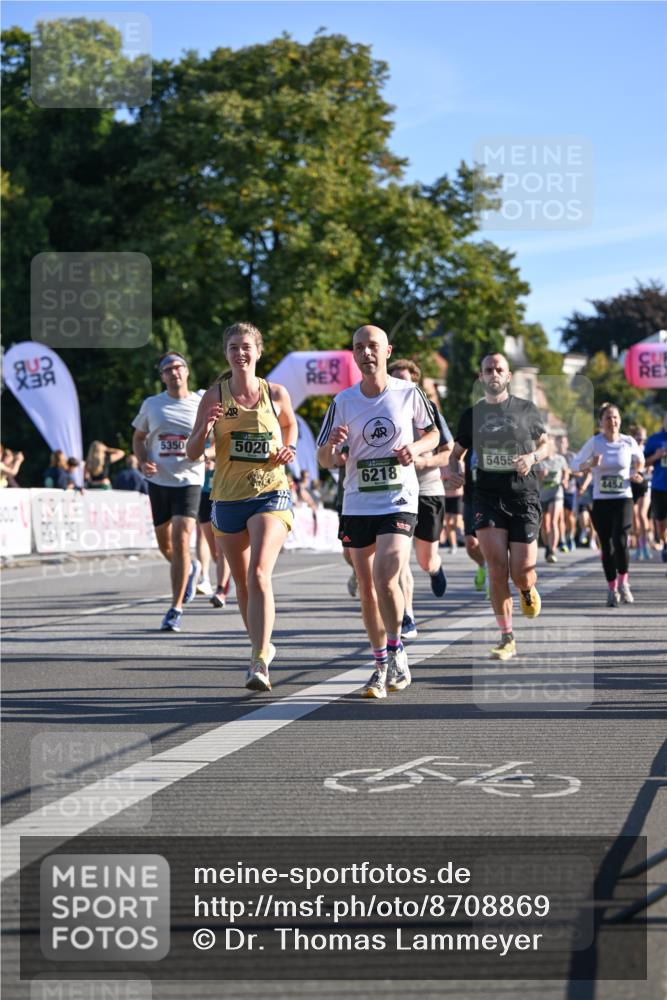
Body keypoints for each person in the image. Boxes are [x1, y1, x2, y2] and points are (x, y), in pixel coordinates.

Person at [316, 325, 438, 699]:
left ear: (387, 350)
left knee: (387, 577)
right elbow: (323, 459)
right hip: (357, 501)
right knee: (367, 589)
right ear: (353, 355)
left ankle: (398, 649)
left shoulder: (409, 393)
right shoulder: (343, 402)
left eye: (373, 346)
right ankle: (380, 662)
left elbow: (433, 435)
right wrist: (333, 448)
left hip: (398, 500)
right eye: (358, 347)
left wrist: (414, 450)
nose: (366, 353)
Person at [186, 322, 297, 691]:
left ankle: (259, 661)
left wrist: (289, 449)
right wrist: (205, 426)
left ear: (259, 351)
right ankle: (261, 645)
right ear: (226, 353)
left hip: (271, 492)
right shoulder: (214, 396)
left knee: (260, 574)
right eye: (233, 347)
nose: (240, 353)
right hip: (228, 497)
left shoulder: (276, 392)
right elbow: (192, 451)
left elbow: (289, 426)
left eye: (246, 346)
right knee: (243, 584)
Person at [448, 352, 548, 661]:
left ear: (507, 376)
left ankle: (526, 589)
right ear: (481, 377)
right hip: (487, 498)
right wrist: (455, 468)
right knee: (496, 569)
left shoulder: (526, 409)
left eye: (499, 369)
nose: (493, 374)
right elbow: (456, 453)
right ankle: (507, 636)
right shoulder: (472, 415)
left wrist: (531, 457)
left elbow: (546, 445)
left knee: (521, 573)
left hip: (524, 498)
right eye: (488, 369)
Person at [132, 351, 204, 632]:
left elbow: (217, 440)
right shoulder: (152, 404)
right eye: (167, 370)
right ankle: (191, 569)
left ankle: (175, 608)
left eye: (178, 367)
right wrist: (142, 459)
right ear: (162, 376)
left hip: (189, 479)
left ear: (187, 372)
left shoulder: (200, 403)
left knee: (182, 538)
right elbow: (139, 437)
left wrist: (205, 453)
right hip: (159, 481)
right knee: (167, 546)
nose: (174, 373)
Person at [387, 358, 451, 641]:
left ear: (415, 383)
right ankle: (407, 615)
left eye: (406, 380)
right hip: (395, 492)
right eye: (395, 380)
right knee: (399, 559)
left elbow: (447, 452)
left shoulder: (429, 410)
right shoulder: (381, 407)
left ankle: (435, 569)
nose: (401, 385)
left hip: (427, 489)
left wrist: (424, 462)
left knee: (425, 560)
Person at [571, 402, 644, 606]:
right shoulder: (595, 443)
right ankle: (612, 588)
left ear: (620, 421)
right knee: (607, 545)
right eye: (608, 418)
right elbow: (574, 465)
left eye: (615, 417)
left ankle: (624, 582)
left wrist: (637, 472)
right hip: (601, 501)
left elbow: (640, 459)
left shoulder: (628, 441)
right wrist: (590, 464)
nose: (612, 421)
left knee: (621, 540)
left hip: (623, 497)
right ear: (601, 422)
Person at [196, 452, 232, 607]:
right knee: (215, 552)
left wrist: (216, 464)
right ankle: (225, 576)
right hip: (205, 494)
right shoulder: (199, 433)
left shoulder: (227, 432)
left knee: (223, 547)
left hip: (226, 492)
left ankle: (221, 590)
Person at [536, 437, 569, 562]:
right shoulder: (539, 461)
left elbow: (566, 472)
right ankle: (547, 547)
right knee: (545, 525)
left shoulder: (560, 459)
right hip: (543, 494)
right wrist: (540, 476)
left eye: (550, 445)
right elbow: (533, 480)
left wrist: (565, 480)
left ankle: (552, 550)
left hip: (557, 493)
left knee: (554, 521)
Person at [462, 448, 487, 592]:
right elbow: (455, 456)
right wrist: (455, 472)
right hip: (471, 498)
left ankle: (493, 578)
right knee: (471, 544)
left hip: (492, 498)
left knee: (490, 540)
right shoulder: (467, 440)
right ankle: (483, 565)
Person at [644, 411, 667, 563]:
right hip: (660, 486)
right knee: (660, 521)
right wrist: (656, 456)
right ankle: (665, 544)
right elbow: (643, 463)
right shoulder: (654, 439)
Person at [629, 425, 652, 560]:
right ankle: (639, 545)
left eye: (643, 439)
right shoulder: (628, 450)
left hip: (644, 483)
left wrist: (649, 466)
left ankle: (646, 545)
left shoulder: (647, 449)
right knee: (635, 517)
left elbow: (652, 461)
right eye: (638, 439)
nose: (641, 442)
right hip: (632, 484)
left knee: (642, 515)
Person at [557, 434, 578, 552]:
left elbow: (580, 473)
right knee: (560, 517)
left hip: (570, 489)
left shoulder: (571, 456)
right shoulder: (554, 456)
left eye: (563, 442)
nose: (561, 444)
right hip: (557, 490)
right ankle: (563, 540)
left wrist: (569, 472)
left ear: (567, 444)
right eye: (559, 442)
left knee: (569, 517)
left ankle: (571, 538)